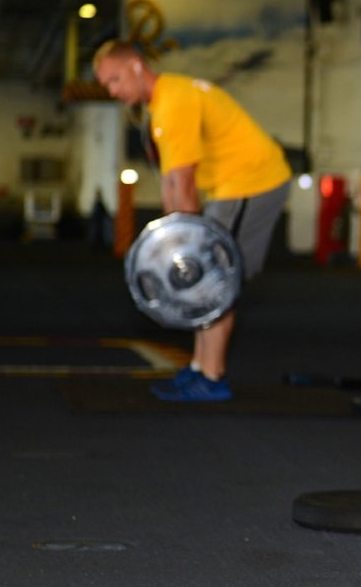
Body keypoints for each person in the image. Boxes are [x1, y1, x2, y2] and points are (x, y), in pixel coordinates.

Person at [93, 40, 292, 402]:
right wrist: (173, 244)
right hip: (230, 186)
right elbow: (171, 183)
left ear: (137, 66)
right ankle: (200, 368)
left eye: (115, 79)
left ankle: (212, 377)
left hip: (254, 180)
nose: (113, 91)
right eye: (107, 85)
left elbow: (183, 184)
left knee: (214, 278)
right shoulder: (164, 103)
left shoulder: (173, 103)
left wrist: (184, 250)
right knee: (202, 277)